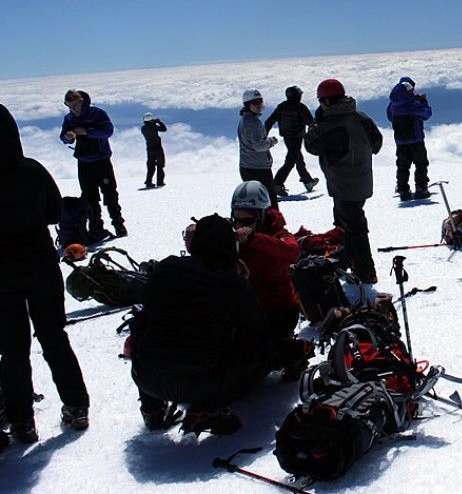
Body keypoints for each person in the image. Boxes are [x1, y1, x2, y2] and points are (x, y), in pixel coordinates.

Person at [130, 213, 277, 435]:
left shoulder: (168, 267)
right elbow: (257, 331)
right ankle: (209, 406)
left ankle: (152, 409)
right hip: (201, 384)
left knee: (147, 326)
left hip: (146, 378)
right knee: (260, 356)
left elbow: (145, 309)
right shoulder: (231, 282)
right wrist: (243, 285)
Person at [1, 103, 90, 443]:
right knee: (54, 337)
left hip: (2, 274)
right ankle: (77, 407)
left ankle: (22, 421)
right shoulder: (32, 170)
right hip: (40, 263)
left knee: (13, 349)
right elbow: (55, 212)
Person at [230, 181, 314, 380]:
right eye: (237, 220)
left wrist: (254, 238)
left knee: (261, 357)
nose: (240, 226)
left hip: (278, 310)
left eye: (247, 220)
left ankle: (297, 352)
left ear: (261, 216)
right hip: (247, 308)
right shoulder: (235, 234)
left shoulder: (278, 234)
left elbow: (291, 251)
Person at [304, 79, 383, 284]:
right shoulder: (361, 117)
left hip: (342, 184)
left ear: (326, 101)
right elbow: (377, 143)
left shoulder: (327, 125)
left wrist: (316, 122)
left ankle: (365, 270)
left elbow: (311, 145)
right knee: (348, 223)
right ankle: (351, 261)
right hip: (363, 180)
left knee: (352, 226)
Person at [59, 89, 126, 239]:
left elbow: (108, 131)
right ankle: (96, 228)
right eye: (70, 106)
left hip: (101, 160)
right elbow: (63, 137)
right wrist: (68, 137)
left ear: (82, 102)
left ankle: (118, 225)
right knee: (90, 198)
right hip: (84, 162)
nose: (73, 109)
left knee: (110, 194)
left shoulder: (97, 113)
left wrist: (87, 132)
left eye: (75, 105)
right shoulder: (69, 119)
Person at [264, 85, 319, 197]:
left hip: (287, 138)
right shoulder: (300, 107)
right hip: (297, 137)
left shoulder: (282, 106)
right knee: (290, 161)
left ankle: (308, 181)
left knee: (298, 159)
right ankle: (277, 184)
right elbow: (311, 122)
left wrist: (264, 134)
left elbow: (269, 121)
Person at [386, 76, 433, 200]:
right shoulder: (412, 104)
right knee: (421, 164)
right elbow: (426, 114)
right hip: (416, 140)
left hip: (400, 142)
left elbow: (390, 117)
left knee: (402, 166)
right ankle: (421, 188)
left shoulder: (393, 105)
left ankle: (403, 190)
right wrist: (423, 102)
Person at [237, 88, 280, 208]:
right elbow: (258, 146)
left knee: (257, 203)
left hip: (250, 166)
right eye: (255, 102)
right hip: (257, 169)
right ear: (247, 105)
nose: (259, 105)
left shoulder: (246, 119)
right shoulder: (251, 122)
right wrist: (271, 141)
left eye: (260, 101)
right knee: (269, 202)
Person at [141, 112, 167, 188]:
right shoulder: (154, 126)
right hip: (158, 148)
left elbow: (149, 127)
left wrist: (153, 123)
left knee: (150, 167)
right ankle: (160, 182)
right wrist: (159, 122)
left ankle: (148, 182)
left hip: (149, 149)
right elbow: (164, 129)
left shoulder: (143, 128)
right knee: (160, 165)